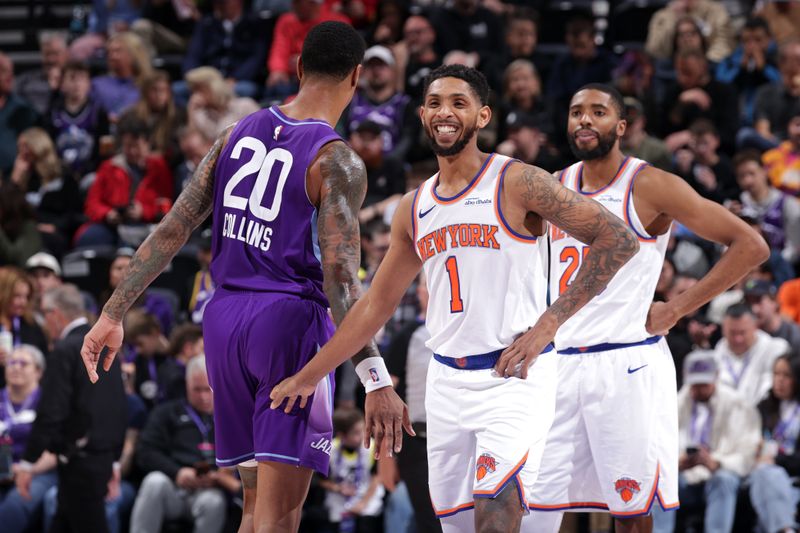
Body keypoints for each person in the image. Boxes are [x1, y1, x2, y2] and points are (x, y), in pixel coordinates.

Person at [270, 64, 640, 533]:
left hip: (514, 378)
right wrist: (309, 377)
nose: (445, 112)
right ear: (422, 114)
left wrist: (550, 325)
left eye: (458, 103)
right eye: (435, 103)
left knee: (496, 510)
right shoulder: (414, 205)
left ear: (483, 116)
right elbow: (373, 306)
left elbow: (618, 239)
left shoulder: (517, 181)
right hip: (445, 385)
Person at [80, 21, 410, 532]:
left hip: (224, 322)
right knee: (281, 516)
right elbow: (341, 281)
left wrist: (112, 312)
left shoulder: (235, 134)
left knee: (254, 508)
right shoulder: (336, 160)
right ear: (357, 77)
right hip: (286, 325)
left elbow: (172, 229)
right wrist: (375, 378)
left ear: (298, 68)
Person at [524, 84, 768, 533]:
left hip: (625, 363)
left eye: (597, 112)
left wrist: (677, 308)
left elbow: (750, 245)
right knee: (536, 508)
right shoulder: (552, 186)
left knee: (631, 514)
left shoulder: (651, 184)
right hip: (558, 365)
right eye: (576, 111)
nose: (584, 120)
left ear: (620, 127)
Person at [17, 285, 127, 533]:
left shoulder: (66, 350)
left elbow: (51, 412)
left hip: (81, 463)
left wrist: (27, 463)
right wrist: (116, 461)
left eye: (45, 315)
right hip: (100, 459)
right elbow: (119, 408)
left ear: (54, 313)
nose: (45, 323)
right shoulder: (106, 347)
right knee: (62, 522)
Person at [651, 350, 760, 533]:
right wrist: (677, 462)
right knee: (661, 479)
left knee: (723, 479)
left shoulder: (737, 404)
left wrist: (716, 462)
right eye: (695, 384)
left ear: (716, 377)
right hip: (685, 478)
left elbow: (747, 454)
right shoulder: (674, 404)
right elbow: (656, 448)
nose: (699, 389)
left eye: (704, 384)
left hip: (722, 477)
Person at [130, 355, 239, 533]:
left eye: (208, 389)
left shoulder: (230, 418)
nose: (203, 396)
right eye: (197, 390)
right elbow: (146, 451)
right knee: (153, 482)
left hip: (210, 491)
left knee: (214, 502)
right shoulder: (167, 413)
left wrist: (220, 476)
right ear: (187, 384)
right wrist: (177, 472)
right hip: (174, 486)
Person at [0, 344, 57, 532]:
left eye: (23, 363)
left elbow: (56, 450)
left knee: (15, 505)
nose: (16, 367)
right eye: (12, 362)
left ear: (39, 372)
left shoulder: (49, 402)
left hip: (39, 471)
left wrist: (24, 469)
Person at [749, 354, 800, 533]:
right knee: (766, 475)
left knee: (771, 476)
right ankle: (786, 529)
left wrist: (777, 460)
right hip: (757, 472)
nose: (779, 381)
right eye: (776, 374)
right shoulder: (764, 407)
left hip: (792, 475)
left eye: (786, 376)